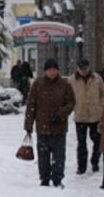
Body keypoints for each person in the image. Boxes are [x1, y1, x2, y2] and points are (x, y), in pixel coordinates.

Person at [24, 58, 75, 188]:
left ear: (57, 70)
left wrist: (61, 113)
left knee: (59, 155)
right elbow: (31, 105)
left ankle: (57, 178)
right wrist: (28, 125)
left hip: (59, 126)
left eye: (54, 69)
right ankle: (44, 178)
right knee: (43, 155)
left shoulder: (65, 84)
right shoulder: (38, 84)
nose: (52, 72)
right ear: (45, 71)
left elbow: (71, 103)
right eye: (49, 70)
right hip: (42, 126)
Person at [67, 58, 104, 174]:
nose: (83, 71)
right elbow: (67, 97)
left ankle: (95, 161)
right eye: (81, 69)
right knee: (81, 143)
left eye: (85, 68)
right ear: (77, 69)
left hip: (96, 115)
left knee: (97, 140)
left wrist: (101, 107)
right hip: (80, 116)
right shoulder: (71, 80)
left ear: (89, 67)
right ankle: (81, 166)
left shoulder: (97, 79)